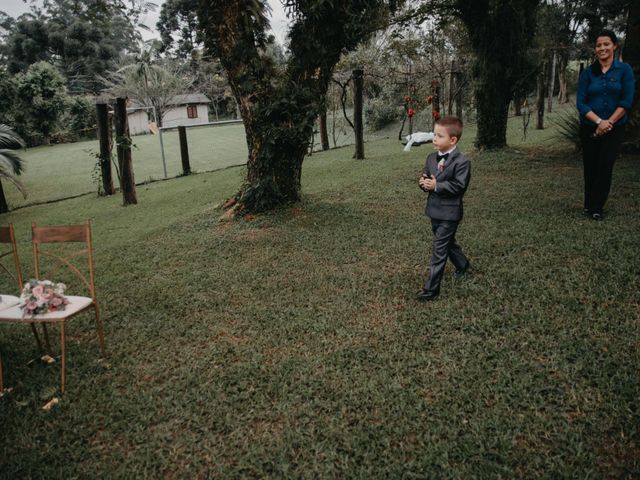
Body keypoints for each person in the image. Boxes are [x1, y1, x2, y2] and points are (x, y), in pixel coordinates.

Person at [576, 29, 635, 221]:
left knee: (606, 163)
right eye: (599, 45)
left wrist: (609, 122)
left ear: (614, 46)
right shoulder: (587, 73)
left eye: (606, 44)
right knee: (591, 165)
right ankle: (588, 204)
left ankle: (597, 207)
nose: (602, 48)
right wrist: (599, 122)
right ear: (595, 48)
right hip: (590, 126)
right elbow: (581, 102)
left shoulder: (624, 70)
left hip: (614, 127)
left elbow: (627, 100)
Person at [417, 116, 471, 301]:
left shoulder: (462, 162)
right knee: (447, 243)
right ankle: (463, 264)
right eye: (434, 134)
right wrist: (423, 183)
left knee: (439, 248)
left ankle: (431, 290)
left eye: (439, 136)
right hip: (434, 210)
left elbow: (459, 186)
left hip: (450, 213)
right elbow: (427, 177)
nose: (434, 139)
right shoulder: (431, 158)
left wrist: (437, 186)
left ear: (453, 140)